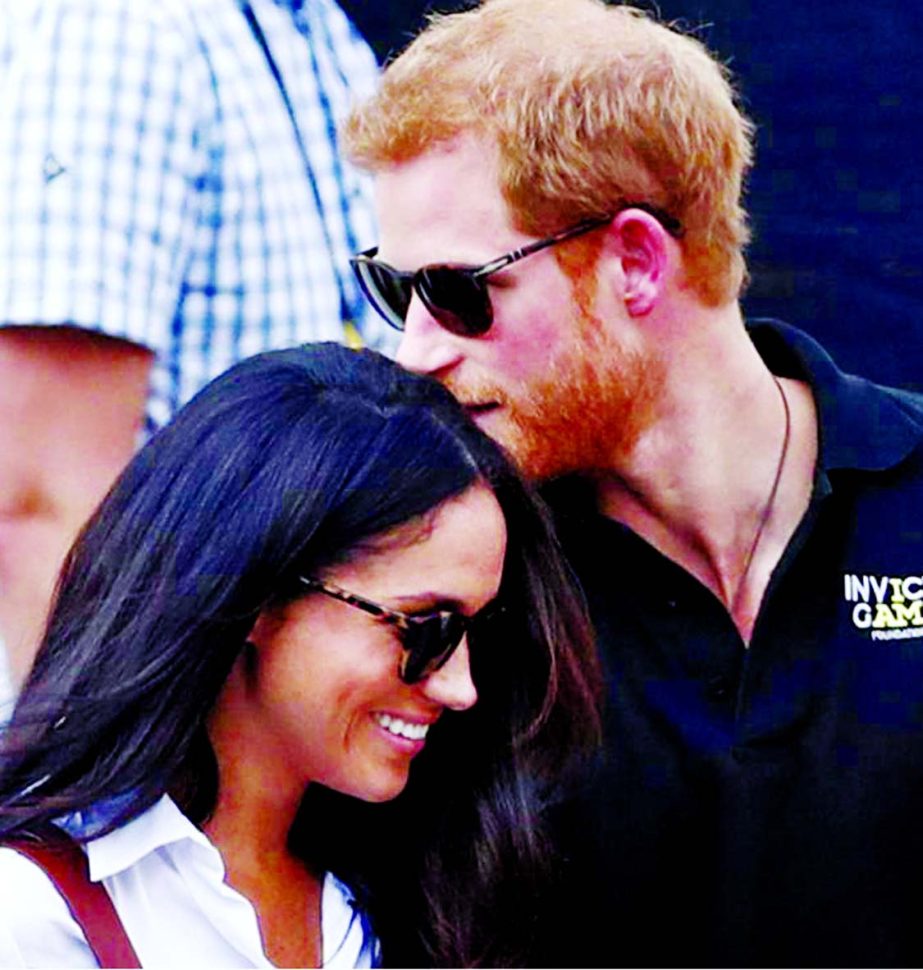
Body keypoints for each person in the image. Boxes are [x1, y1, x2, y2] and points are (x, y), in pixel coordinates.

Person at [342, 0, 923, 965]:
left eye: (455, 291)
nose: (416, 351)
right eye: (392, 291)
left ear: (636, 261)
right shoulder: (450, 576)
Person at [0, 342, 601, 967]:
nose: (461, 687)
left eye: (482, 630)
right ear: (258, 595)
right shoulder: (34, 912)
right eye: (426, 628)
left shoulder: (426, 887)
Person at [0, 0, 394, 693]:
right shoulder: (122, 28)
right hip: (150, 715)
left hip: (261, 707)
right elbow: (39, 493)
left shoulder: (323, 33)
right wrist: (101, 790)